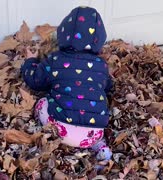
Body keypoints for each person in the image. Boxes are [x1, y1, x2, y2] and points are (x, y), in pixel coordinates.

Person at [21, 6, 112, 161]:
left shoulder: (55, 59)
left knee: (42, 101)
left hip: (60, 129)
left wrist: (30, 61)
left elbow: (35, 81)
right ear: (99, 38)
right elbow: (109, 86)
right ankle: (99, 145)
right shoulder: (101, 66)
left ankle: (47, 132)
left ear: (63, 33)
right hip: (95, 132)